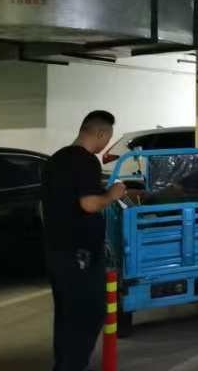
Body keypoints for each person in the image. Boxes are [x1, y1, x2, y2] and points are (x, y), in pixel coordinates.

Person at [41, 110, 127, 371]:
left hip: (57, 250)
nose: (106, 144)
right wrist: (113, 194)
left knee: (66, 316)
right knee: (88, 314)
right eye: (107, 137)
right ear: (100, 133)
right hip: (80, 255)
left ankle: (64, 365)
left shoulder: (56, 159)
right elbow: (89, 203)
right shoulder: (86, 161)